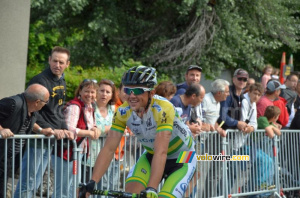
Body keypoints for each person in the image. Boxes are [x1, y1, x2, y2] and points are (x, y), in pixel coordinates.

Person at [81, 66, 196, 198]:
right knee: (131, 192)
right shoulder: (122, 112)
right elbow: (109, 149)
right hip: (151, 155)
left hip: (183, 158)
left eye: (137, 91)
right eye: (128, 90)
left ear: (151, 93)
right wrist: (92, 182)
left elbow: (161, 151)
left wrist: (151, 188)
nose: (131, 96)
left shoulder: (163, 109)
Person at [15, 46, 74, 197]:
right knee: (28, 182)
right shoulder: (40, 80)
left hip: (50, 139)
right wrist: (50, 129)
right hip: (39, 137)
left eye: (61, 62)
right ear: (49, 60)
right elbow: (32, 111)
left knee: (35, 182)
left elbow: (58, 110)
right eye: (54, 61)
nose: (57, 65)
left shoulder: (61, 80)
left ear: (67, 64)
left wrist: (65, 128)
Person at [0, 84, 52, 198]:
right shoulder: (12, 103)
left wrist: (41, 130)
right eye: (45, 102)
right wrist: (1, 129)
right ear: (37, 102)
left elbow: (28, 121)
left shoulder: (30, 109)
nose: (45, 105)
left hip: (8, 158)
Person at [52, 79, 101, 198]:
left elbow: (90, 124)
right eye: (87, 91)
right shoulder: (75, 106)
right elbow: (70, 129)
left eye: (93, 92)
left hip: (77, 151)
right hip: (65, 152)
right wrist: (89, 133)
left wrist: (95, 128)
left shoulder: (90, 106)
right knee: (63, 189)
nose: (90, 95)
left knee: (72, 187)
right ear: (80, 91)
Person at [84, 79, 120, 190]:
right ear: (97, 91)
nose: (104, 94)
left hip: (107, 153)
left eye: (108, 92)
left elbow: (119, 127)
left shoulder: (114, 109)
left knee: (104, 187)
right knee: (88, 187)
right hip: (90, 154)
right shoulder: (90, 107)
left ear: (112, 95)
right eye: (102, 91)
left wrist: (103, 129)